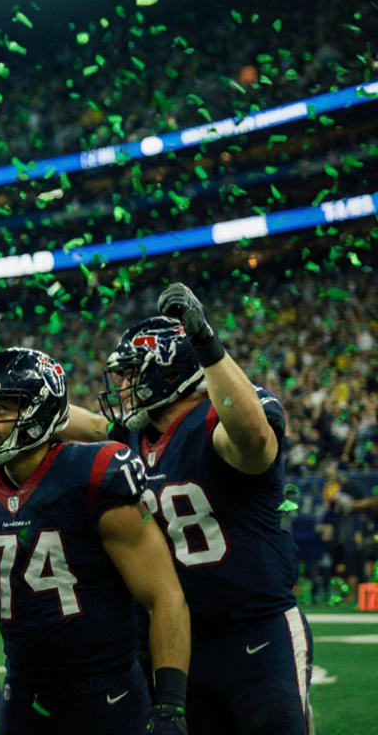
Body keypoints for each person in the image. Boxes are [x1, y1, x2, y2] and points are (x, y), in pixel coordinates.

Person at [91, 286, 311, 734]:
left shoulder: (220, 418)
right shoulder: (134, 436)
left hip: (257, 630)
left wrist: (204, 338)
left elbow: (253, 439)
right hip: (181, 644)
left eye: (132, 375)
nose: (123, 387)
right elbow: (52, 420)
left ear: (168, 371)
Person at [0, 347, 191, 735]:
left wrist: (171, 704)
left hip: (107, 693)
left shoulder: (92, 473)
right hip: (24, 692)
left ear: (38, 412)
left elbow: (163, 595)